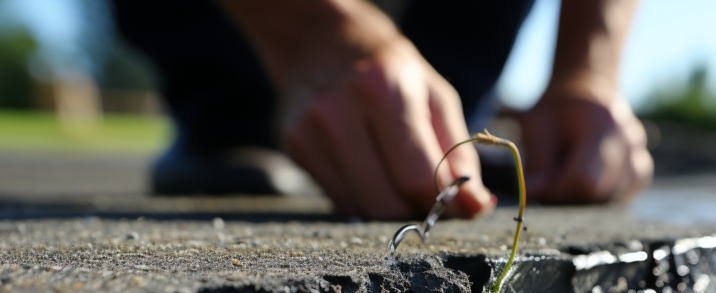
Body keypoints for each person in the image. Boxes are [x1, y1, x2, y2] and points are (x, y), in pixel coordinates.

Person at [112, 0, 652, 220]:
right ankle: (236, 102)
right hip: (233, 31)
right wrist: (311, 30)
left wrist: (589, 70)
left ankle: (435, 120)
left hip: (454, 46)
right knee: (240, 104)